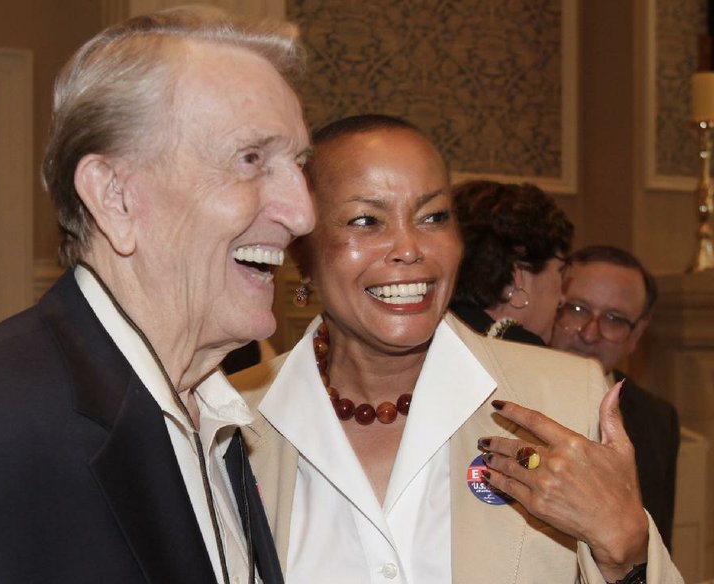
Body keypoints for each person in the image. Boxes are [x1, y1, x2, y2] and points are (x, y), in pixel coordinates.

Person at [0, 7, 314, 583]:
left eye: (298, 166)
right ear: (115, 197)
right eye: (251, 160)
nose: (302, 213)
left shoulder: (217, 420)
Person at [230, 114, 682, 583]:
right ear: (301, 253)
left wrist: (627, 552)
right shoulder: (229, 421)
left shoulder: (565, 400)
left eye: (432, 217)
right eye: (366, 220)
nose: (410, 247)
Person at [551, 245, 681, 551]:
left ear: (636, 335)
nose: (589, 334)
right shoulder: (504, 393)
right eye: (577, 309)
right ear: (552, 305)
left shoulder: (657, 418)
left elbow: (657, 548)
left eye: (614, 318)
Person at [449, 180, 573, 344]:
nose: (563, 298)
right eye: (560, 271)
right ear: (516, 278)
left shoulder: (423, 343)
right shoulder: (533, 360)